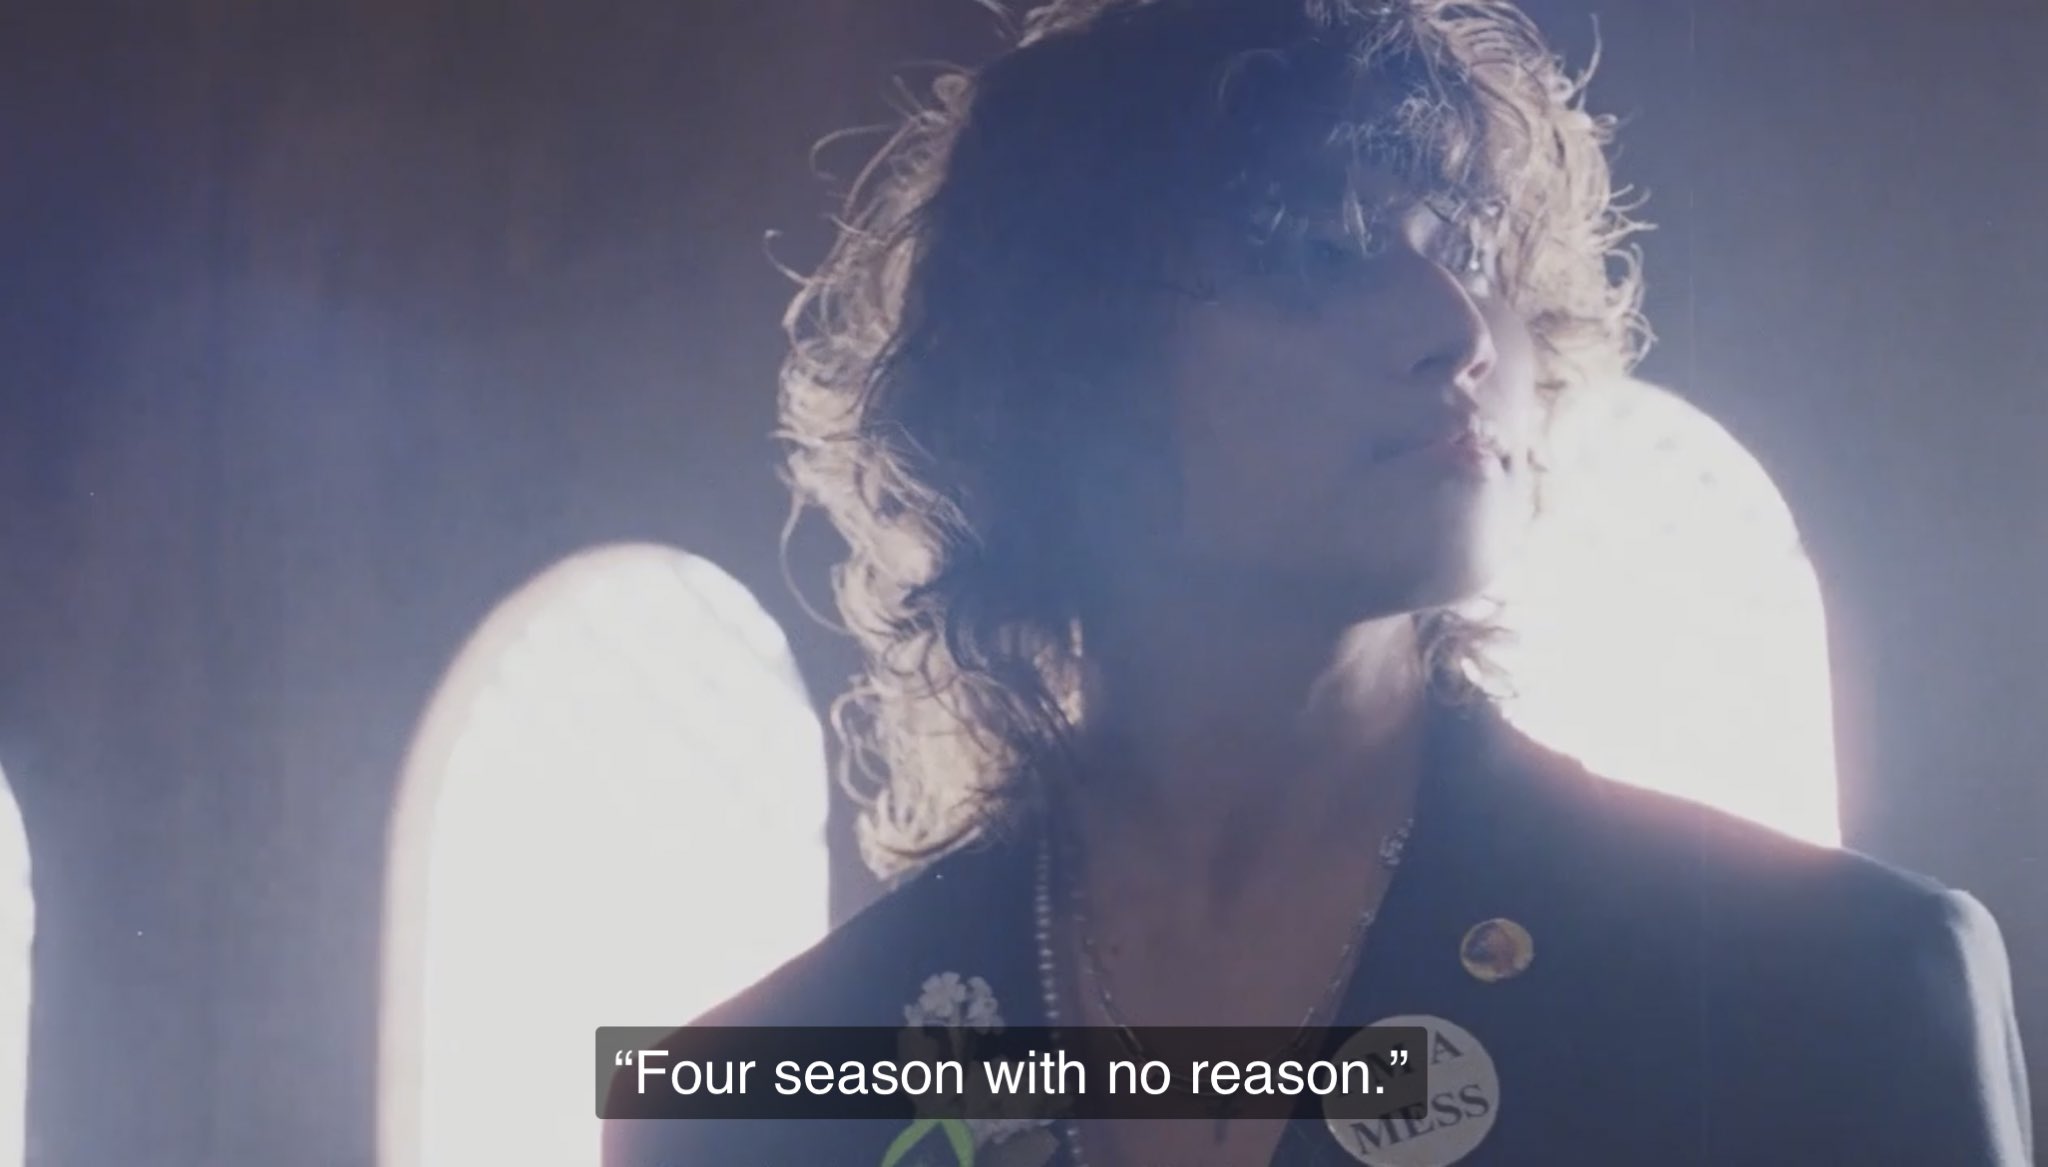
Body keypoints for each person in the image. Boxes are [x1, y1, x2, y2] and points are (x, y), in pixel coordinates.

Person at [605, 1, 2033, 1163]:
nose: (1455, 329)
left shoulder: (1828, 994)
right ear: (1054, 373)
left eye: (1468, 249)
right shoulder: (747, 1103)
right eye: (1315, 254)